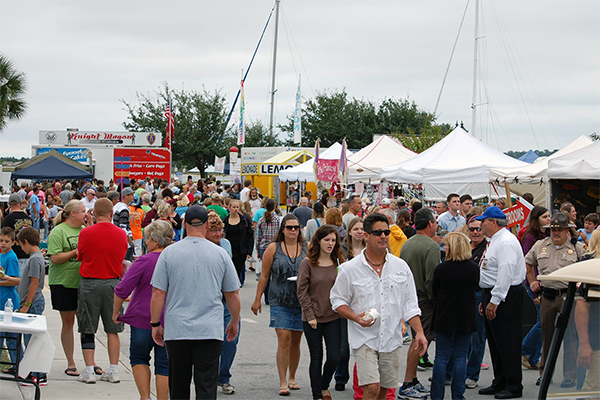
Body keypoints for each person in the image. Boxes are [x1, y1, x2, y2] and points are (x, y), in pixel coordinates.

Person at [330, 213, 428, 400]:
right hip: (364, 339)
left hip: (391, 338)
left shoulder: (401, 267)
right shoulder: (350, 269)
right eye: (378, 232)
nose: (383, 236)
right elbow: (337, 301)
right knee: (372, 387)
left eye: (386, 232)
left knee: (385, 390)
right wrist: (356, 317)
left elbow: (410, 305)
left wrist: (420, 333)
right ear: (366, 236)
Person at [150, 205, 241, 400]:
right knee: (206, 385)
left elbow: (158, 292)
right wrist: (234, 320)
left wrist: (155, 323)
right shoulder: (220, 254)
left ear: (184, 223)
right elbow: (232, 293)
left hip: (178, 329)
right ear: (207, 225)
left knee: (179, 385)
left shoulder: (169, 253)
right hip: (209, 329)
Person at [525, 212, 585, 388]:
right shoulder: (541, 245)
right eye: (553, 229)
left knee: (570, 338)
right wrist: (532, 281)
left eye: (560, 229)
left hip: (569, 297)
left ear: (568, 230)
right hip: (548, 297)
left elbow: (588, 265)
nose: (556, 232)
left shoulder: (577, 248)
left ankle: (570, 376)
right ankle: (545, 373)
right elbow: (528, 263)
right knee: (547, 337)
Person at [113, 220, 172, 400]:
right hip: (169, 319)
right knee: (165, 365)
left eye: (147, 239)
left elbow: (123, 289)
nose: (145, 242)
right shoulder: (174, 259)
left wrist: (116, 311)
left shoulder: (144, 261)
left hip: (142, 318)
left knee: (139, 358)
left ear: (155, 240)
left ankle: (145, 397)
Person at [251, 214, 307, 396]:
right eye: (289, 227)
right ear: (282, 229)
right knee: (284, 338)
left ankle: (292, 377)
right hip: (279, 299)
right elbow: (265, 275)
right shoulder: (273, 248)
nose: (293, 230)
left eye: (296, 227)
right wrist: (257, 298)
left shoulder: (306, 248)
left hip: (301, 301)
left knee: (296, 340)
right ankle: (283, 381)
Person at [76, 198, 128, 384]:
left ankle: (89, 370)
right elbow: (121, 256)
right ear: (111, 213)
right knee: (112, 329)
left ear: (94, 213)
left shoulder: (86, 233)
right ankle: (113, 369)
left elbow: (80, 255)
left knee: (88, 327)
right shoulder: (121, 234)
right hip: (112, 284)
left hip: (90, 282)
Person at [476, 206, 526, 399]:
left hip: (505, 295)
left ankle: (513, 385)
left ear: (493, 222)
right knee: (496, 341)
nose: (480, 226)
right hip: (493, 292)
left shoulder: (505, 242)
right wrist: (486, 298)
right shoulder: (495, 240)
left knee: (507, 341)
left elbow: (506, 273)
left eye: (484, 221)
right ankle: (501, 380)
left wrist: (495, 300)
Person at [430, 232, 480, 400]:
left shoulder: (442, 268)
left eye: (447, 245)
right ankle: (458, 395)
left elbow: (434, 290)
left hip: (445, 313)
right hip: (465, 314)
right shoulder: (473, 268)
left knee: (441, 356)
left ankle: (437, 395)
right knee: (460, 356)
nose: (444, 248)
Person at [297, 225, 344, 400]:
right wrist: (310, 315)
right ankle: (317, 394)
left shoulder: (339, 261)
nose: (330, 243)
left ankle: (324, 385)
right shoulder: (308, 262)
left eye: (333, 240)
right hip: (313, 318)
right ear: (318, 241)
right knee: (316, 357)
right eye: (327, 240)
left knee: (334, 356)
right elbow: (301, 291)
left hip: (333, 316)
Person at [398, 208, 441, 399]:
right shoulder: (431, 246)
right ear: (430, 223)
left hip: (410, 297)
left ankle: (412, 379)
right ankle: (408, 382)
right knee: (419, 342)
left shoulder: (408, 243)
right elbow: (432, 279)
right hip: (424, 301)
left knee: (418, 340)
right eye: (435, 222)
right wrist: (435, 300)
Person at [47, 199, 93, 377]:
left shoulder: (84, 230)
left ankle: (90, 362)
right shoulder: (58, 232)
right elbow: (55, 258)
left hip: (82, 282)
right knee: (68, 322)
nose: (85, 213)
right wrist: (76, 252)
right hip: (63, 282)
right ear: (72, 213)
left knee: (86, 323)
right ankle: (71, 362)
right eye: (82, 211)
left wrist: (90, 227)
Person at [204, 211, 240, 395]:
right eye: (214, 231)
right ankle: (208, 377)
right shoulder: (200, 247)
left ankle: (223, 377)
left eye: (220, 230)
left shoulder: (225, 244)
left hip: (225, 299)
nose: (218, 234)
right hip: (207, 301)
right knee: (208, 342)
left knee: (230, 341)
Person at [336, 217, 366, 391]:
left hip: (363, 300)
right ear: (349, 232)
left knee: (365, 344)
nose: (359, 232)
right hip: (345, 301)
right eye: (356, 229)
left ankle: (364, 378)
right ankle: (340, 376)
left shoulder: (369, 251)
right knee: (343, 347)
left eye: (362, 229)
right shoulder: (342, 250)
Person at [519, 206, 550, 371]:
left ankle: (532, 357)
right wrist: (533, 284)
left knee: (542, 320)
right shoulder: (530, 237)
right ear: (536, 218)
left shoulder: (547, 235)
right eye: (545, 216)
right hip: (535, 283)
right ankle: (524, 349)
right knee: (542, 321)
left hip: (546, 283)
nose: (548, 219)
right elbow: (528, 263)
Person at [16, 227, 48, 386]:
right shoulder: (36, 257)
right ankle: (33, 372)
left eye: (21, 245)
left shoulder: (34, 259)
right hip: (32, 303)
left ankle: (37, 374)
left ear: (26, 242)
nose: (21, 249)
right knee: (30, 340)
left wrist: (26, 305)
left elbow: (34, 283)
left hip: (33, 303)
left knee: (31, 341)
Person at [464, 215, 489, 389]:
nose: (475, 232)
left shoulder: (488, 249)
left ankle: (472, 375)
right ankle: (461, 371)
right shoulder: (465, 247)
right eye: (472, 229)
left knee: (477, 337)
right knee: (464, 337)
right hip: (463, 296)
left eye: (478, 229)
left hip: (479, 295)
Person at [0, 227, 21, 373]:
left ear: (13, 242)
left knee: (12, 338)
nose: (3, 244)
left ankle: (19, 366)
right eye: (1, 241)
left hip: (8, 302)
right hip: (1, 301)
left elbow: (16, 281)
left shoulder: (11, 257)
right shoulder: (2, 255)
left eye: (6, 241)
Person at [223, 199, 254, 286]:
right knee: (228, 272)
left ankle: (235, 288)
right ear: (229, 208)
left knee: (237, 272)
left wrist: (249, 251)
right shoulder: (224, 221)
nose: (236, 209)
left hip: (241, 251)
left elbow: (250, 236)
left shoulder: (244, 220)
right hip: (228, 251)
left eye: (237, 207)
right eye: (233, 207)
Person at [2, 193, 33, 272]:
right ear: (20, 203)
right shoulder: (29, 219)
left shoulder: (8, 219)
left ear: (9, 204)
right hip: (29, 255)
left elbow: (4, 237)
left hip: (14, 256)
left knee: (14, 281)